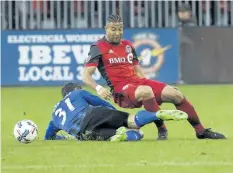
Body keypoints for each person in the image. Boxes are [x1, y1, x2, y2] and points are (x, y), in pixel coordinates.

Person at [83, 14, 226, 140]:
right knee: (146, 91)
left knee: (174, 94)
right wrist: (99, 88)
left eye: (120, 29)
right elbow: (86, 76)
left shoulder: (127, 45)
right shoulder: (98, 47)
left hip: (138, 82)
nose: (117, 32)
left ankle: (201, 131)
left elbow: (138, 72)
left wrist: (159, 87)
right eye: (113, 29)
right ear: (105, 28)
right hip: (120, 89)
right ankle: (162, 129)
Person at [44, 82, 188, 141]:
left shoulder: (54, 114)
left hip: (83, 134)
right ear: (76, 89)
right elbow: (102, 103)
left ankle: (123, 136)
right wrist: (117, 117)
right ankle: (157, 114)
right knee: (133, 123)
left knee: (125, 136)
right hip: (92, 115)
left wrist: (63, 138)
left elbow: (48, 137)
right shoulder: (78, 94)